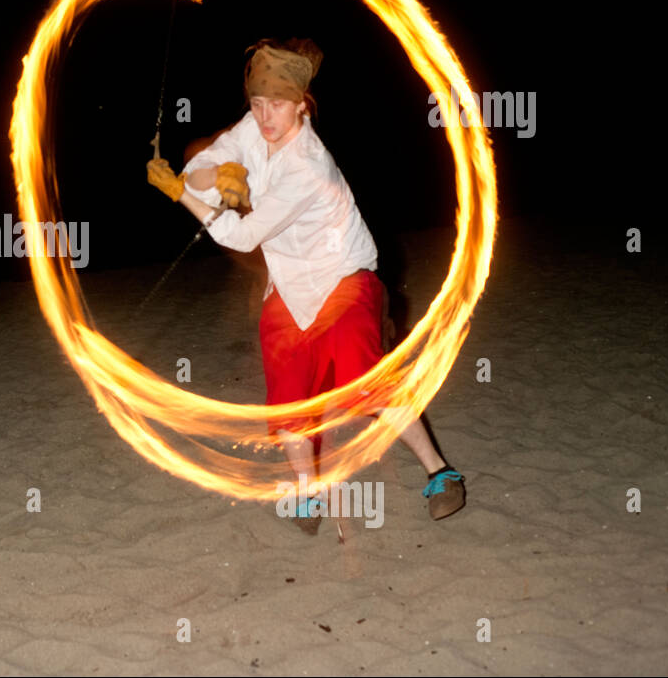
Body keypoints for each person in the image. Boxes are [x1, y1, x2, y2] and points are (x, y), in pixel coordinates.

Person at [146, 38, 465, 533]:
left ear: (301, 105)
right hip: (290, 285)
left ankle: (440, 473)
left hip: (343, 278)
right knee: (289, 399)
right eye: (257, 102)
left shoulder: (308, 166)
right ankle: (307, 492)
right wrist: (218, 173)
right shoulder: (253, 127)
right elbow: (197, 170)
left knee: (366, 386)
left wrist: (180, 195)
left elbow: (242, 235)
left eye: (276, 104)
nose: (265, 115)